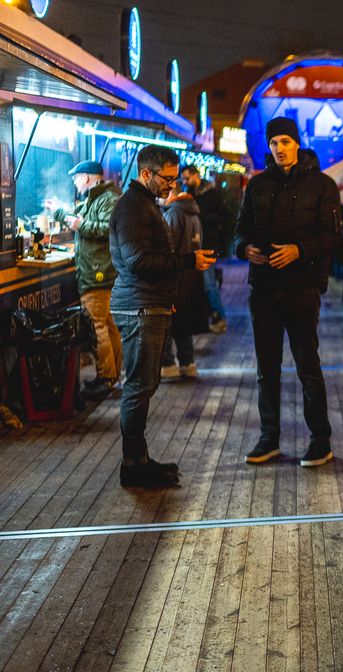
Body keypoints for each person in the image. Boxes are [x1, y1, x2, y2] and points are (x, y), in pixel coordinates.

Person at [234, 117, 341, 468]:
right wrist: (243, 248)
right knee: (267, 368)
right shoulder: (257, 185)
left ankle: (320, 440)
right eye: (274, 142)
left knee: (307, 365)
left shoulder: (322, 185)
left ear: (297, 143)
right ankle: (269, 438)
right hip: (263, 288)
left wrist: (299, 250)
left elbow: (331, 237)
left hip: (302, 288)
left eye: (285, 141)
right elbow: (240, 229)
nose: (279, 148)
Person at [110, 146, 216, 488]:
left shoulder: (145, 205)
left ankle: (140, 458)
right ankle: (133, 464)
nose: (172, 185)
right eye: (167, 178)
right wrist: (186, 261)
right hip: (139, 305)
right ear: (146, 174)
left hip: (148, 303)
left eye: (174, 177)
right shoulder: (132, 208)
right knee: (139, 385)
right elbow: (139, 261)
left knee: (146, 384)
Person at [66, 160, 122, 395]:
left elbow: (107, 229)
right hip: (100, 270)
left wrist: (79, 224)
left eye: (76, 178)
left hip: (97, 272)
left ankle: (107, 378)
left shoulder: (107, 198)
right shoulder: (100, 196)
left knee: (99, 326)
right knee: (108, 325)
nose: (74, 182)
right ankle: (112, 376)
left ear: (87, 177)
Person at [159, 187, 206, 380]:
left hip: (175, 275)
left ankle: (168, 364)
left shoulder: (173, 213)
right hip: (191, 276)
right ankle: (188, 363)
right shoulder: (193, 212)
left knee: (167, 323)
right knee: (183, 322)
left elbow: (167, 247)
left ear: (172, 194)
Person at [181, 165, 230, 333]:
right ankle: (210, 317)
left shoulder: (212, 194)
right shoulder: (188, 193)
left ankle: (220, 317)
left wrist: (201, 216)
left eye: (187, 178)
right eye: (184, 179)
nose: (185, 181)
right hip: (193, 245)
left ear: (196, 175)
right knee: (200, 284)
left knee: (209, 284)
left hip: (208, 244)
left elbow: (224, 216)